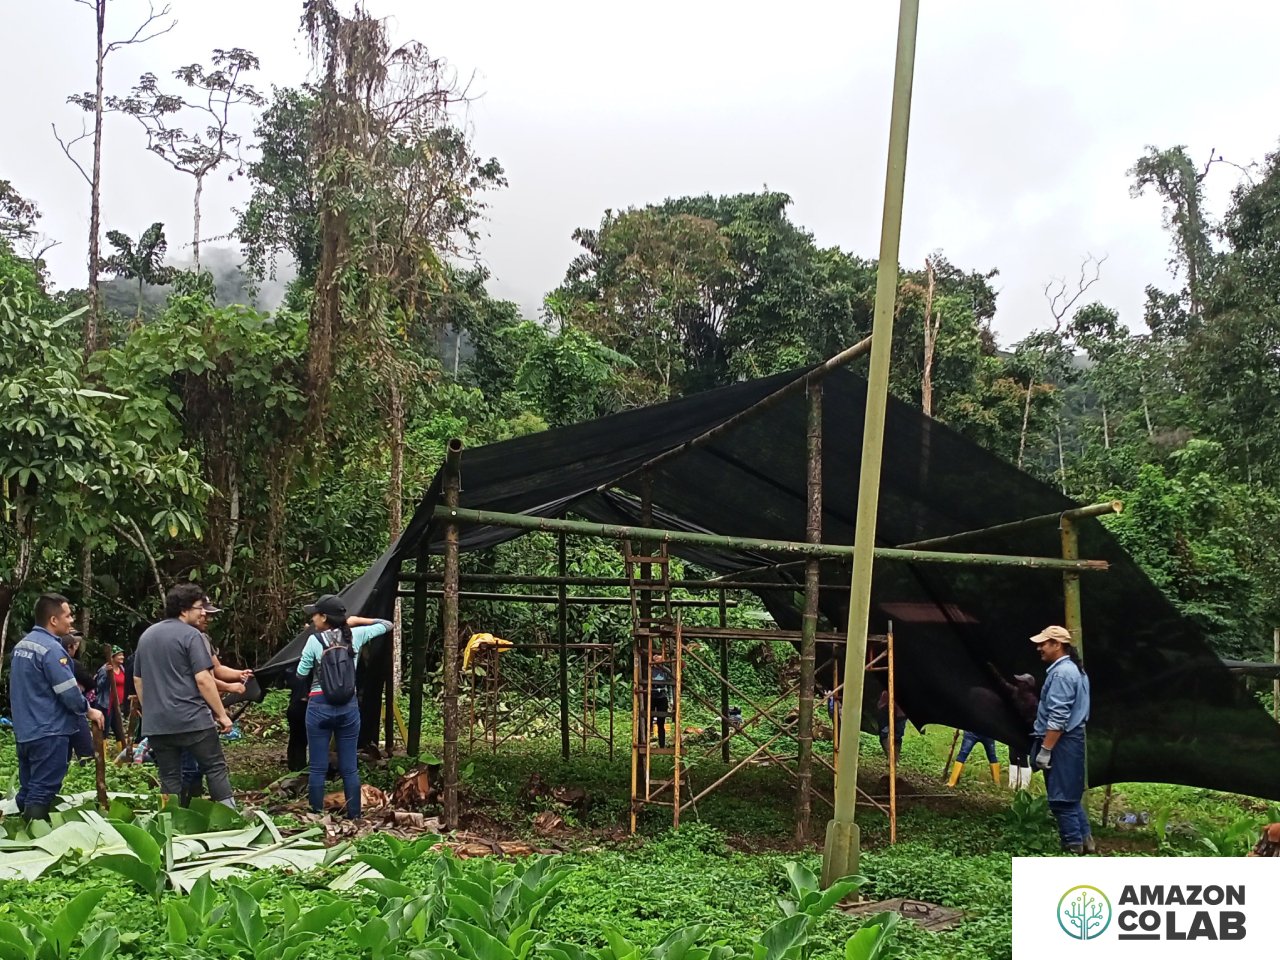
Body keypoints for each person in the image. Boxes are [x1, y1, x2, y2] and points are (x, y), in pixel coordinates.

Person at [133, 583, 235, 808]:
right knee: (215, 767)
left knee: (169, 776)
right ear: (184, 610)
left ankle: (170, 824)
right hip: (192, 720)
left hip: (157, 724)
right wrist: (222, 715)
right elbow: (203, 679)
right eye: (199, 607)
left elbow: (138, 680)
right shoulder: (192, 636)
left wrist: (151, 711)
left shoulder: (147, 636)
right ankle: (231, 820)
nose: (203, 612)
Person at [7, 594, 104, 821]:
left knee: (29, 787)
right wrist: (89, 710)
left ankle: (17, 834)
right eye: (68, 616)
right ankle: (34, 839)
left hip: (25, 731)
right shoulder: (51, 650)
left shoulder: (22, 646)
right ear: (53, 620)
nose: (71, 621)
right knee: (42, 790)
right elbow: (69, 692)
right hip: (49, 731)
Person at [296, 594, 391, 819]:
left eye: (315, 614)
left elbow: (301, 673)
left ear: (324, 617)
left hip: (319, 706)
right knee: (350, 767)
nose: (313, 619)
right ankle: (355, 816)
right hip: (348, 708)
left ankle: (316, 815)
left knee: (318, 767)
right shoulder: (356, 636)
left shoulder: (314, 641)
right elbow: (387, 625)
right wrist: (357, 620)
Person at [178, 597, 252, 805]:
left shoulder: (202, 639)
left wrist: (239, 674)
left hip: (203, 708)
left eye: (209, 614)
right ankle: (189, 808)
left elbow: (216, 670)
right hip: (192, 709)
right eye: (204, 613)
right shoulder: (190, 638)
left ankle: (195, 804)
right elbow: (202, 679)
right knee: (197, 765)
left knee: (199, 765)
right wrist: (229, 689)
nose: (206, 618)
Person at [1030, 624, 1094, 854]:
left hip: (1062, 742)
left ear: (1057, 645)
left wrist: (1046, 748)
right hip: (1070, 740)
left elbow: (1059, 715)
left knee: (1060, 799)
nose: (1039, 648)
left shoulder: (1062, 673)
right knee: (1070, 797)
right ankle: (1086, 842)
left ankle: (1072, 846)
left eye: (1044, 643)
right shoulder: (1074, 669)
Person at [993, 670, 1039, 789]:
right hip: (1014, 731)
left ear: (1026, 685)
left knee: (1023, 758)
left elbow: (1034, 719)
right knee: (1013, 756)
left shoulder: (1032, 701)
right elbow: (1003, 683)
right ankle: (1012, 784)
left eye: (1021, 682)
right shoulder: (1016, 693)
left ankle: (1024, 786)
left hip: (1026, 734)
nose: (1018, 683)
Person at [62, 630, 97, 763]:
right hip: (75, 710)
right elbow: (89, 682)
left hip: (57, 715)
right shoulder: (71, 663)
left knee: (63, 754)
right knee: (85, 751)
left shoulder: (51, 661)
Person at [95, 646, 129, 747]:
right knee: (105, 730)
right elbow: (99, 686)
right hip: (107, 704)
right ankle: (102, 756)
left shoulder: (122, 669)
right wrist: (107, 674)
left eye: (122, 655)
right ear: (113, 657)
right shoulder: (104, 669)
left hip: (119, 705)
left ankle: (122, 758)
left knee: (119, 730)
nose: (122, 657)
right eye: (119, 655)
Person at [877, 689, 907, 758]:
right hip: (885, 710)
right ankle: (890, 756)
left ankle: (895, 758)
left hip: (900, 713)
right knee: (883, 734)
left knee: (897, 736)